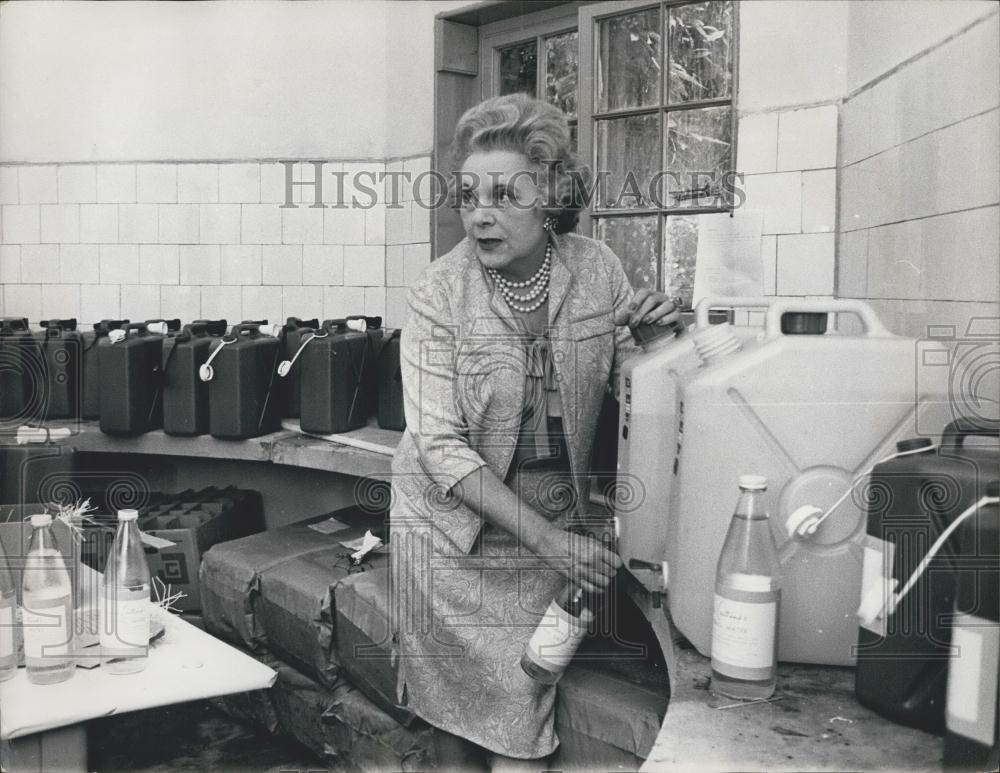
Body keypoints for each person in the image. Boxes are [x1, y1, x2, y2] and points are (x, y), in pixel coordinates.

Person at [389, 93, 679, 772]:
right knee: (448, 712)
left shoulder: (597, 269)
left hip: (541, 535)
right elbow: (439, 445)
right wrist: (551, 541)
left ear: (548, 193)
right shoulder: (437, 293)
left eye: (503, 194)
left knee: (522, 703)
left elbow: (619, 383)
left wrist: (653, 344)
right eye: (467, 195)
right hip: (445, 540)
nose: (480, 213)